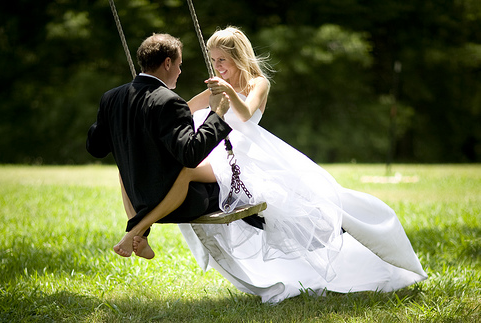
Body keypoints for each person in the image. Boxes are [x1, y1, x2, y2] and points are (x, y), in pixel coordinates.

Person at [122, 27, 428, 303]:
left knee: (189, 173)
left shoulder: (258, 83)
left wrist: (227, 93)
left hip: (238, 160)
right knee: (162, 170)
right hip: (213, 152)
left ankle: (139, 228)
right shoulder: (216, 87)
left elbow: (244, 114)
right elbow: (181, 110)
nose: (217, 67)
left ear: (238, 57)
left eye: (222, 60)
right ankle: (141, 232)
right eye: (213, 60)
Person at [86, 33, 233, 260]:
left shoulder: (111, 98)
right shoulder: (169, 101)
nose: (180, 71)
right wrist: (217, 114)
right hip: (180, 203)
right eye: (179, 64)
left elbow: (96, 148)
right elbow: (190, 155)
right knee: (235, 186)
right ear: (167, 63)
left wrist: (111, 120)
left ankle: (140, 232)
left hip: (137, 202)